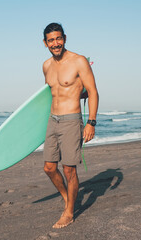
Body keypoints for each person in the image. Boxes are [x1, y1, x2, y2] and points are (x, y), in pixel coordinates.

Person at [42, 22, 99, 229]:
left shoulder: (78, 61)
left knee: (69, 170)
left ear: (64, 38)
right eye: (51, 40)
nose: (55, 43)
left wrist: (91, 122)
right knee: (49, 168)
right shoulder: (46, 66)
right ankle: (68, 198)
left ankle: (69, 212)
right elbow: (53, 93)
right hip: (52, 120)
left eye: (58, 38)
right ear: (45, 43)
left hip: (71, 121)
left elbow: (93, 91)